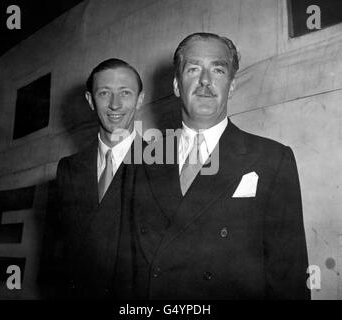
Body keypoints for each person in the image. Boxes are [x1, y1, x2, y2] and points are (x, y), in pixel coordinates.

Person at [129, 32, 310, 299]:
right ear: (177, 85)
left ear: (232, 85)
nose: (205, 81)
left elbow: (290, 273)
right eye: (193, 69)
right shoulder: (144, 159)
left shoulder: (272, 159)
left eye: (217, 70)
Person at [52, 58, 144, 299]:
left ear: (140, 99)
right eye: (105, 93)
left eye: (125, 92)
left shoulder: (164, 164)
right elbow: (58, 254)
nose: (115, 104)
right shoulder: (68, 169)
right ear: (90, 101)